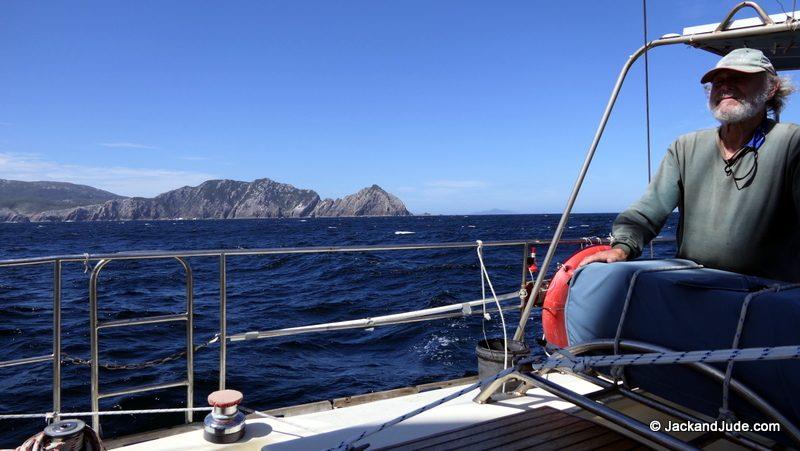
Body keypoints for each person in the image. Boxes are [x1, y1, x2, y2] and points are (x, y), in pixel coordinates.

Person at [579, 48, 800, 282]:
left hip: (769, 294)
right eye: (718, 82)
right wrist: (623, 247)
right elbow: (650, 208)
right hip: (694, 286)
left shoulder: (792, 144)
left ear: (771, 88)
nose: (725, 86)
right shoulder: (685, 147)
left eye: (739, 78)